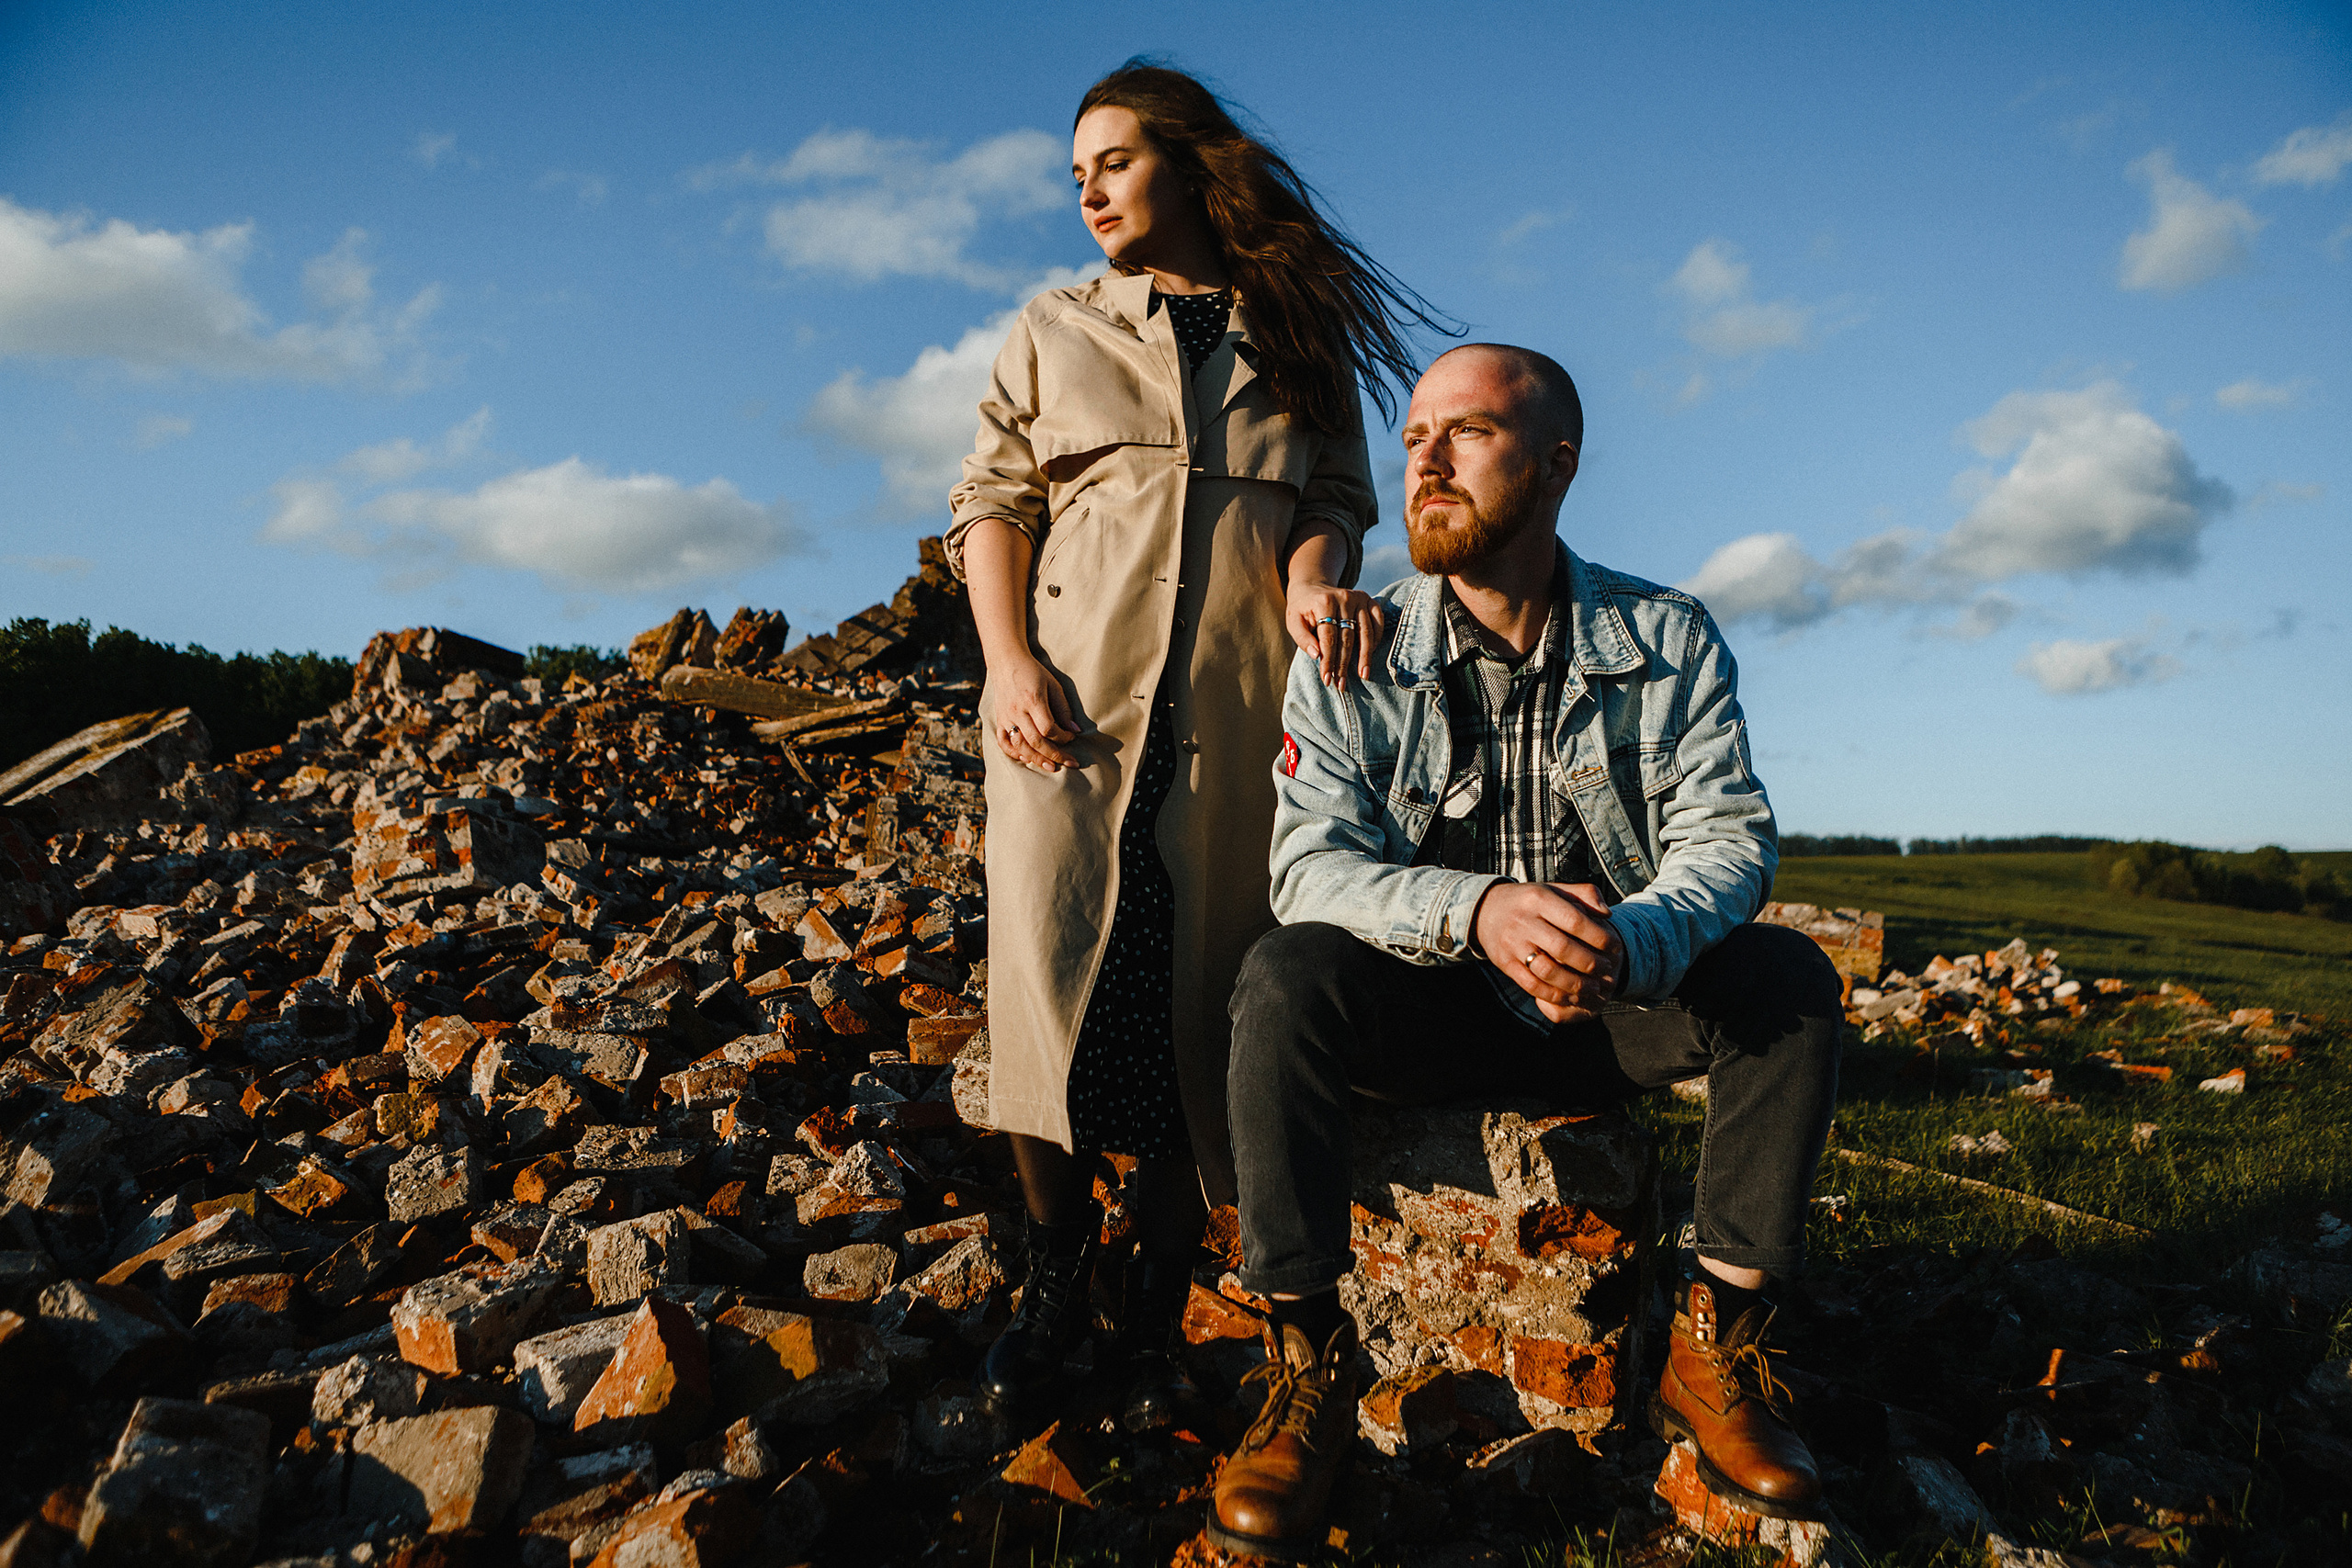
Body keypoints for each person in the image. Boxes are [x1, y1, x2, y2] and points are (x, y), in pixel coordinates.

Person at [1206, 344, 1842, 1558]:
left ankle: (1722, 1346)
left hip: (1613, 1011)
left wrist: (1630, 943)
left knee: (1787, 981)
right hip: (1430, 1011)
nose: (1424, 462)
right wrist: (1480, 911)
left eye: (1468, 434)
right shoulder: (1354, 649)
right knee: (1282, 979)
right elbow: (1307, 869)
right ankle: (1304, 1362)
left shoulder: (1667, 635)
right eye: (1412, 439)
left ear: (1558, 464)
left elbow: (1730, 837)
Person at [944, 61, 1449, 1428]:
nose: (1091, 189)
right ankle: (1056, 1291)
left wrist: (1310, 572)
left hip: (1242, 723)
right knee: (1050, 992)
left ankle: (1157, 1309)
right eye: (1078, 173)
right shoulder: (1056, 326)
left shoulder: (1297, 332)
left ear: (1187, 162)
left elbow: (1336, 498)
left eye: (1114, 159)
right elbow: (988, 502)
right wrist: (1007, 667)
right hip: (1070, 721)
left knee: (1203, 1007)